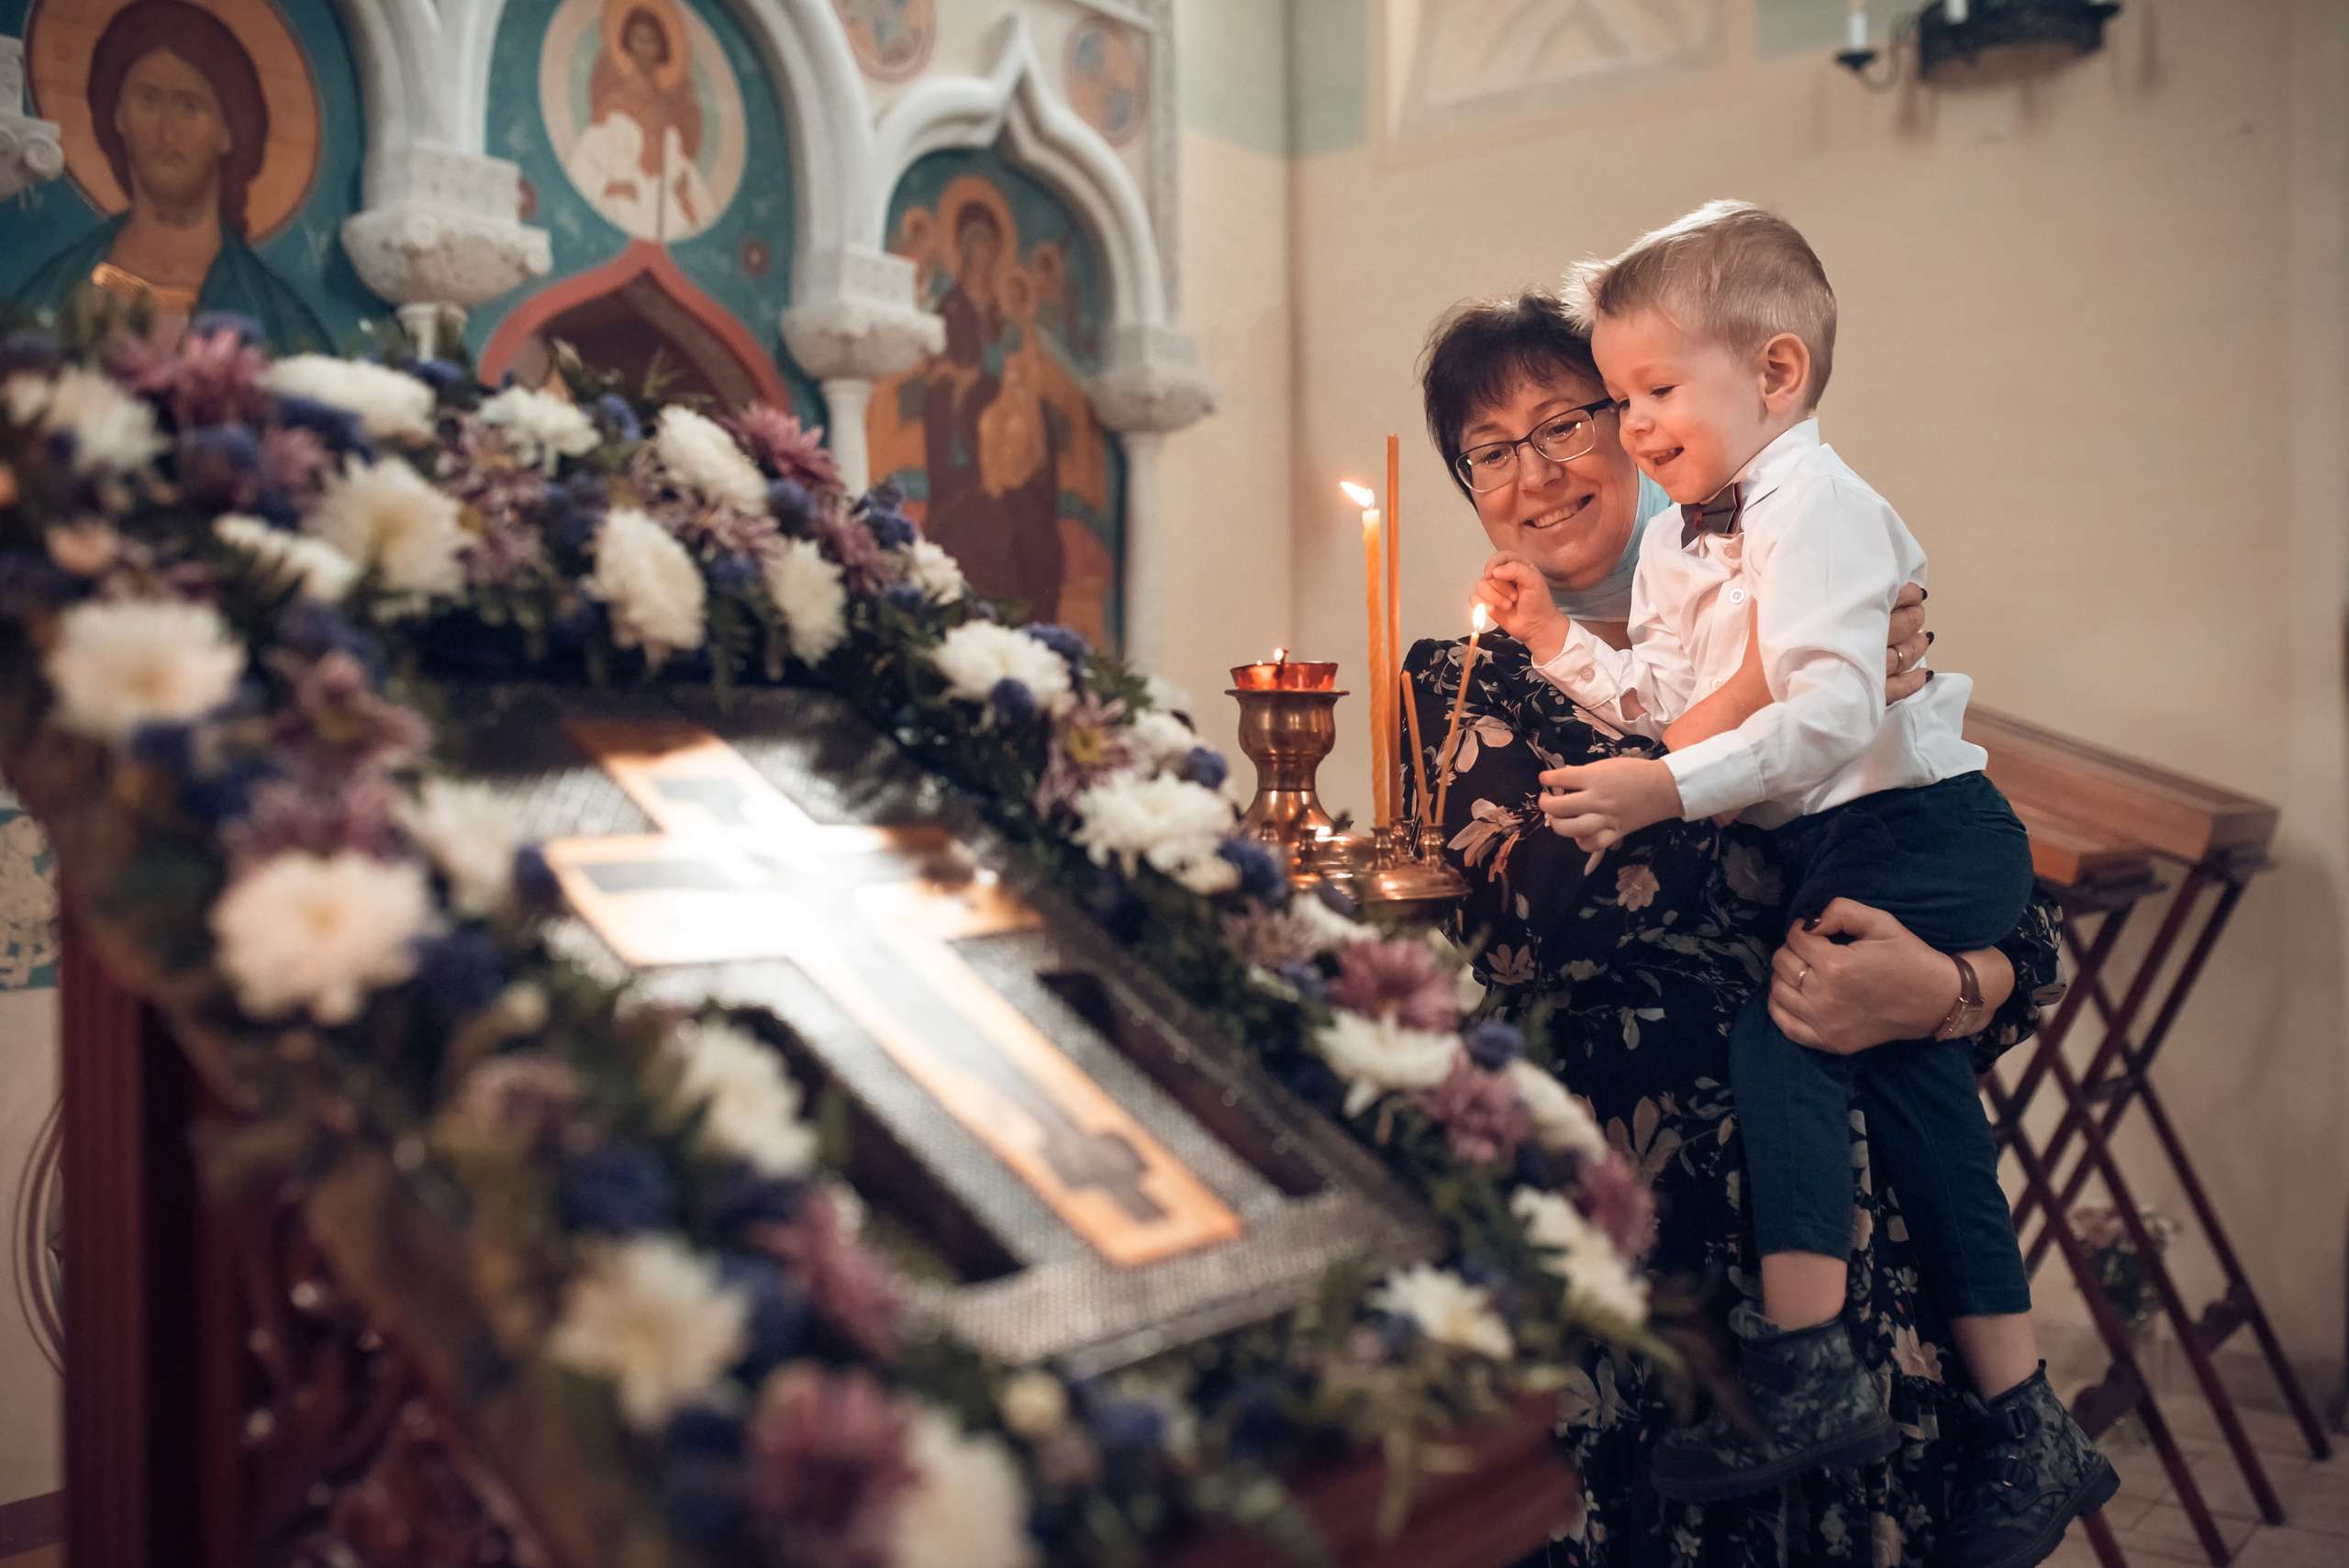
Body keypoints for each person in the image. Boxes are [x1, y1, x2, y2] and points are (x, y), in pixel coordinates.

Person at [1471, 204, 2110, 1566]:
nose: (1560, 461)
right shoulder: (1470, 675)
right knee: (1901, 1090)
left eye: (1586, 412)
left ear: (1763, 377)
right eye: (1490, 447)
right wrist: (1572, 655)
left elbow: (2019, 936)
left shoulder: (1805, 528)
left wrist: (1947, 988)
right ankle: (2027, 1419)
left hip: (1837, 1182)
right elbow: (1645, 747)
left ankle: (1878, 1379)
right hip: (1647, 1236)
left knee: (1841, 1051)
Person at [16, 0, 330, 353]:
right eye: (147, 100)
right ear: (118, 115)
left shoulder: (278, 318)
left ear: (228, 130)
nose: (166, 131)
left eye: (189, 106)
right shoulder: (55, 291)